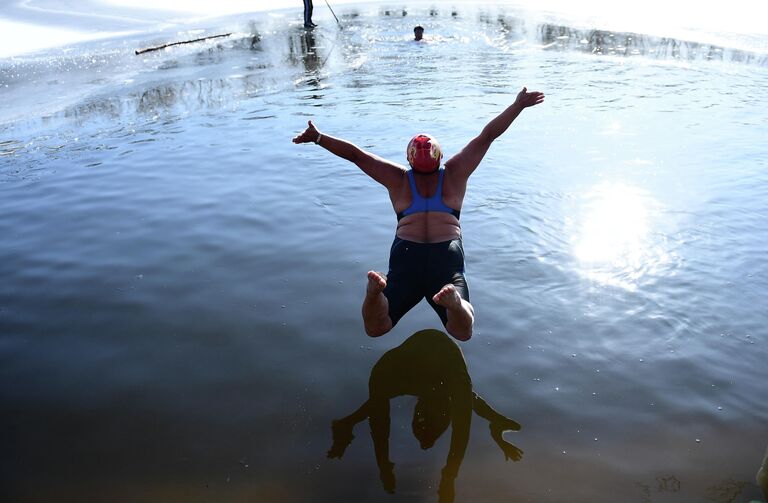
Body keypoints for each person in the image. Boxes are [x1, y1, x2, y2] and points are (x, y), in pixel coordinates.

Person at [292, 87, 544, 341]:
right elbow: (487, 135)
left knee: (376, 327)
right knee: (462, 332)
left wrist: (319, 138)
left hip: (406, 257)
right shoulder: (455, 172)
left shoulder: (398, 178)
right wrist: (517, 106)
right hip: (446, 257)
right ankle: (456, 303)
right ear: (440, 156)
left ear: (409, 159)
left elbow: (357, 155)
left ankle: (374, 294)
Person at [326, 329, 523, 503]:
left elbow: (462, 430)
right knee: (381, 410)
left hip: (415, 364)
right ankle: (348, 427)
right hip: (408, 364)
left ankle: (348, 426)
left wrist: (448, 478)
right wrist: (448, 478)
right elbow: (461, 429)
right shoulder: (440, 383)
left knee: (381, 406)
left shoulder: (449, 382)